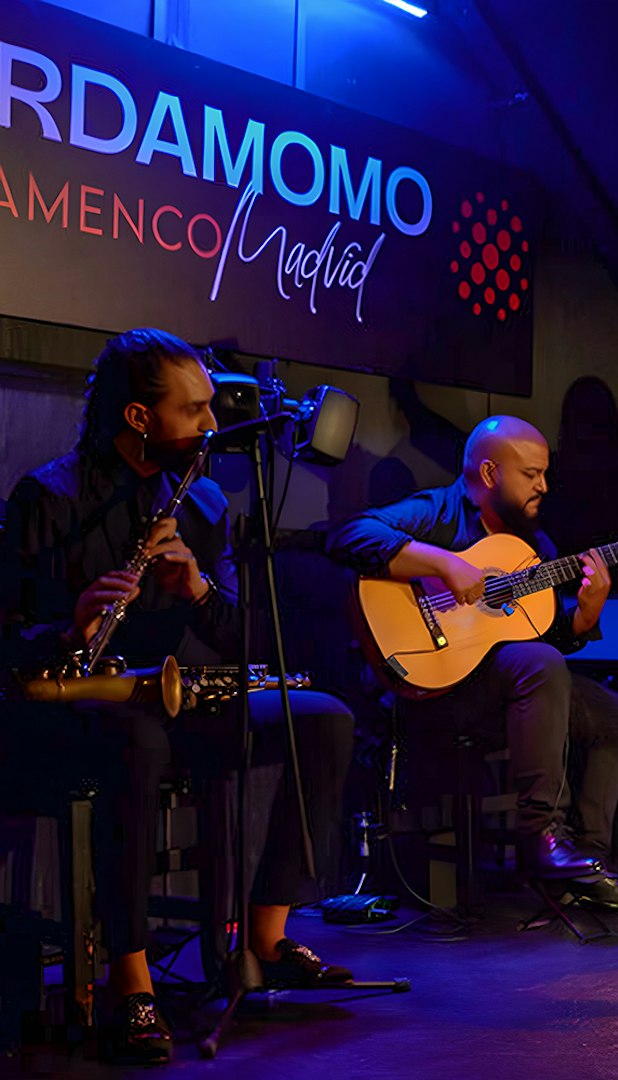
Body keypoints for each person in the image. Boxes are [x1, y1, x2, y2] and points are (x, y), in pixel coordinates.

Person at [0, 329, 356, 1065]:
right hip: (71, 710)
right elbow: (7, 635)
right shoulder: (48, 496)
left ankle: (267, 938)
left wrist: (196, 590)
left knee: (320, 719)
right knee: (139, 740)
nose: (211, 426)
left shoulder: (200, 505)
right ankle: (132, 981)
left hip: (177, 695)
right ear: (139, 418)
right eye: (194, 411)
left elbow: (240, 638)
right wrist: (68, 623)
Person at [325, 416, 618, 911]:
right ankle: (541, 837)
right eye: (531, 474)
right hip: (435, 691)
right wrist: (444, 563)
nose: (544, 486)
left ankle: (582, 866)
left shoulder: (534, 549)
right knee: (540, 666)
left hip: (505, 694)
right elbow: (349, 536)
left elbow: (540, 638)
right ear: (488, 473)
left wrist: (584, 619)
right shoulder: (436, 512)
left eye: (545, 474)